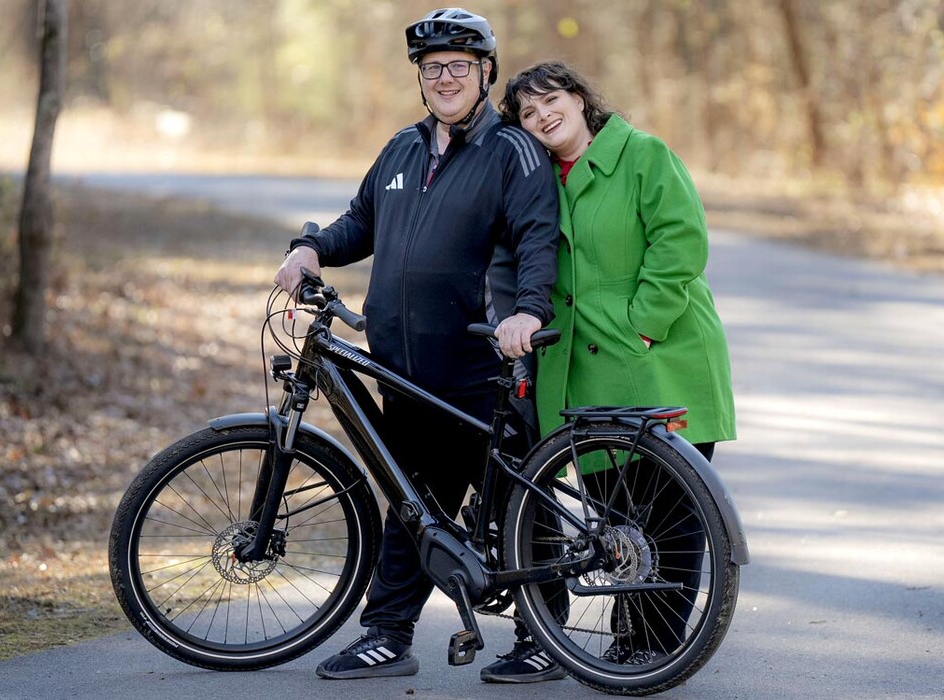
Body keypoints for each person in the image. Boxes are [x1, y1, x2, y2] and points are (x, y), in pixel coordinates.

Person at [272, 8, 560, 682]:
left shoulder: (512, 150)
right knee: (413, 502)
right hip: (401, 367)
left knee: (517, 502)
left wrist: (528, 313)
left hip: (478, 363)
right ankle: (387, 636)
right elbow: (361, 223)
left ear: (486, 72)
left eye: (460, 66)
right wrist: (312, 246)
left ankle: (543, 636)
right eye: (433, 69)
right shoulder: (402, 148)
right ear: (420, 79)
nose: (447, 78)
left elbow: (538, 239)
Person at [495, 61, 736, 669]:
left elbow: (680, 240)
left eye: (551, 100)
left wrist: (642, 325)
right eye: (527, 112)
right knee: (616, 515)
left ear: (579, 100)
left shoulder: (643, 154)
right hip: (585, 367)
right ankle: (631, 643)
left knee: (671, 509)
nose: (542, 116)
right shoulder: (538, 177)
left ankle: (655, 645)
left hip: (662, 356)